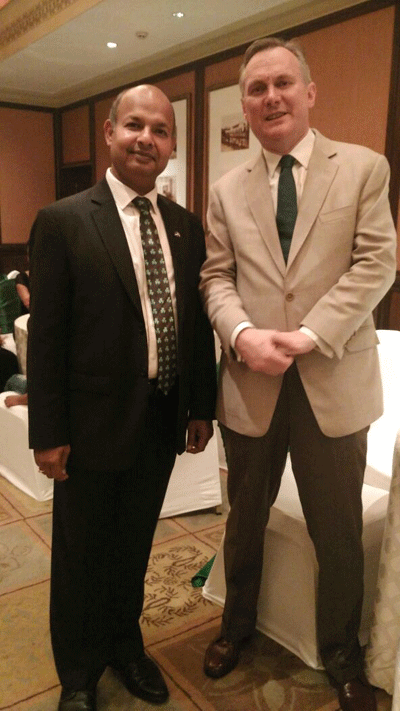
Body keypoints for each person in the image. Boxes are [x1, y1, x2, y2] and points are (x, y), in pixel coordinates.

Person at [199, 36, 396, 711]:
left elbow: (377, 262)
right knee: (243, 521)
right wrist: (242, 334)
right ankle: (235, 628)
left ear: (309, 93)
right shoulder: (225, 191)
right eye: (256, 89)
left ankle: (342, 654)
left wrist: (310, 334)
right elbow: (216, 277)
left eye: (283, 83)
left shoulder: (364, 168)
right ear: (245, 106)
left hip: (333, 379)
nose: (271, 97)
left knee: (336, 531)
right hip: (250, 384)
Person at [27, 84, 216, 711]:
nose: (146, 139)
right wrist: (48, 432)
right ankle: (79, 674)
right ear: (109, 133)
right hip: (87, 429)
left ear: (171, 145)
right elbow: (47, 338)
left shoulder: (185, 227)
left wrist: (200, 406)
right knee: (80, 554)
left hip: (159, 422)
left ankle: (125, 646)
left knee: (133, 547)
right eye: (134, 125)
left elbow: (193, 326)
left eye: (160, 130)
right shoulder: (63, 221)